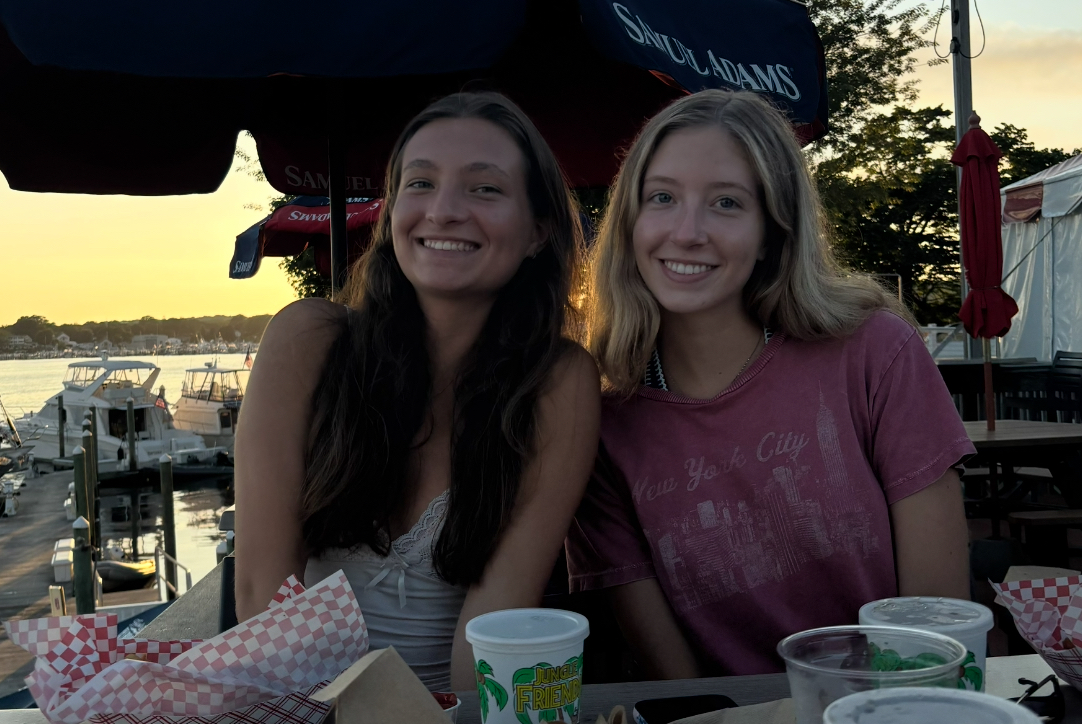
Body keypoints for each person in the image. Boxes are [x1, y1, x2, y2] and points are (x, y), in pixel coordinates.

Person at [567, 90, 974, 678]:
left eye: (727, 203)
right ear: (629, 221)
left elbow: (933, 625)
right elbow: (678, 681)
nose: (687, 232)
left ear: (773, 232)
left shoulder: (874, 353)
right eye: (662, 197)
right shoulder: (600, 423)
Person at [236, 92, 601, 691]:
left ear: (538, 231)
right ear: (392, 211)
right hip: (297, 701)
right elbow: (260, 594)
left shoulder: (558, 383)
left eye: (484, 189)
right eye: (421, 183)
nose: (444, 211)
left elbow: (490, 633)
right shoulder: (307, 341)